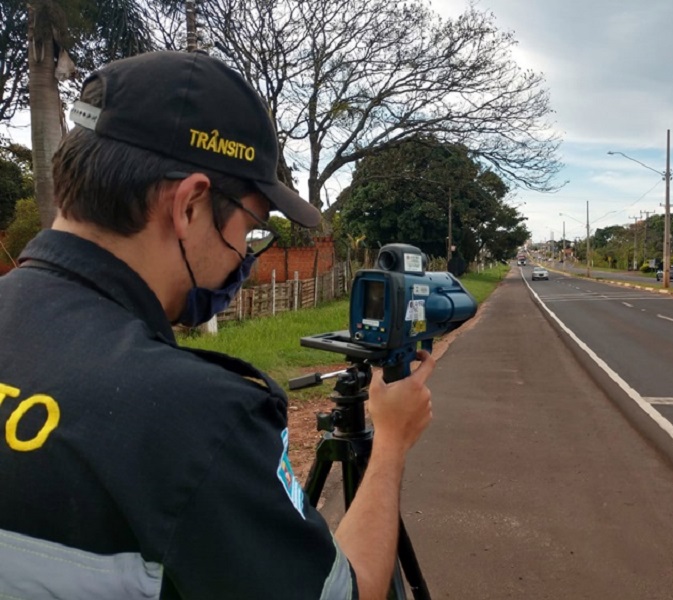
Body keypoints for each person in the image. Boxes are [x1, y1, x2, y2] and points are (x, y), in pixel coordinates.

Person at [0, 50, 435, 599]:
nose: (242, 259)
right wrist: (392, 440)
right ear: (188, 207)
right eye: (250, 228)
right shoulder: (198, 419)